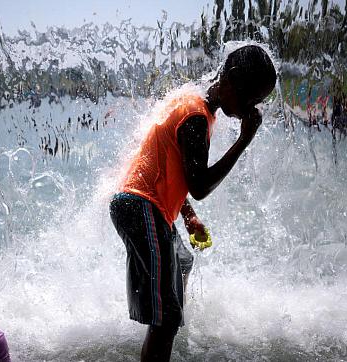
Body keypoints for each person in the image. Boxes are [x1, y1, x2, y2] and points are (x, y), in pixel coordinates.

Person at [109, 44, 277, 361]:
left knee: (183, 262)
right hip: (140, 205)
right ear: (233, 78)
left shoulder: (191, 104)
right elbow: (198, 185)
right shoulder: (196, 117)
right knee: (168, 316)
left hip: (142, 205)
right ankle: (163, 317)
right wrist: (243, 141)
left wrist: (187, 216)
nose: (250, 110)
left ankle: (162, 317)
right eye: (251, 98)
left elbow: (167, 168)